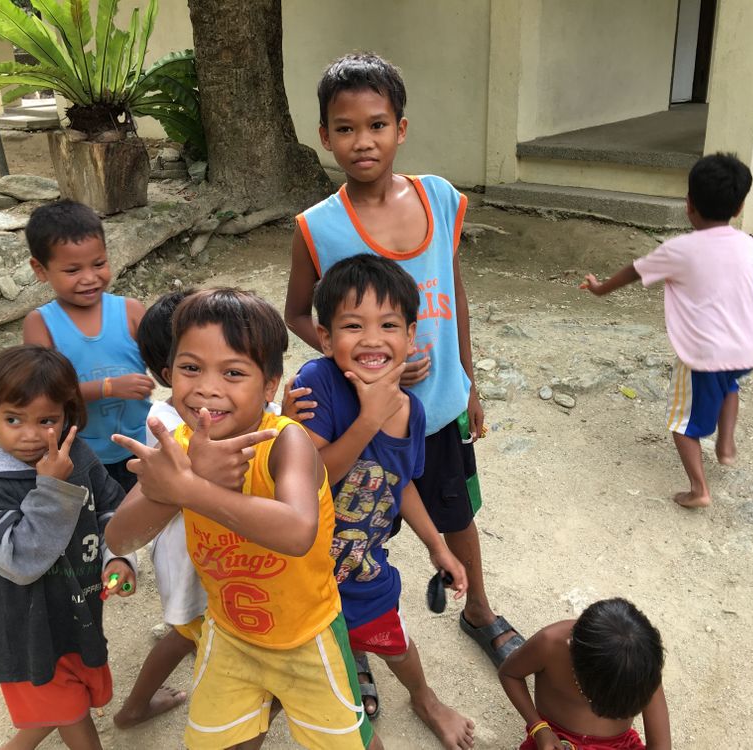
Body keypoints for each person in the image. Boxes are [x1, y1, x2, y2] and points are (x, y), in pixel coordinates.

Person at [284, 51, 524, 679]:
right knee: (353, 531)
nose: (362, 141)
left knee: (455, 513)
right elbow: (297, 313)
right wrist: (358, 363)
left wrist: (467, 380)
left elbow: (454, 289)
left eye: (377, 125)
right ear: (324, 136)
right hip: (360, 420)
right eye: (345, 128)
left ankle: (479, 608)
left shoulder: (438, 198)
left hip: (437, 407)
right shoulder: (317, 227)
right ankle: (356, 641)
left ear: (401, 128)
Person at [106, 288, 381, 750]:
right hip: (229, 635)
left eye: (233, 372)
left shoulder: (285, 443)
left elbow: (297, 531)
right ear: (169, 373)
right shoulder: (178, 446)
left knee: (350, 744)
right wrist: (182, 480)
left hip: (307, 637)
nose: (207, 387)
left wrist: (191, 488)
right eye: (191, 368)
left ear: (270, 386)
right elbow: (120, 538)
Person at [293, 254, 475, 749]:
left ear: (411, 336)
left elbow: (402, 483)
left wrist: (437, 546)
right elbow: (308, 478)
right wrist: (368, 420)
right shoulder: (316, 383)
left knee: (392, 639)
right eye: (353, 325)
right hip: (302, 573)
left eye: (389, 325)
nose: (372, 339)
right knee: (312, 661)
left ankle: (424, 697)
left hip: (362, 566)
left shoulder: (412, 410)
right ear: (326, 337)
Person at [0, 345, 136, 750]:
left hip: (76, 617)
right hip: (29, 633)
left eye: (47, 421)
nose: (30, 435)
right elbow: (19, 562)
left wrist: (119, 558)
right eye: (13, 419)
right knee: (69, 711)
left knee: (66, 706)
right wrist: (52, 489)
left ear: (67, 414)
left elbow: (111, 511)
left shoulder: (80, 458)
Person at [581, 153, 753, 509]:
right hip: (748, 348)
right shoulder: (748, 244)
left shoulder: (680, 250)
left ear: (689, 204)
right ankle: (726, 445)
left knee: (682, 424)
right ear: (740, 206)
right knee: (730, 384)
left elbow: (634, 271)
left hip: (704, 355)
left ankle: (699, 489)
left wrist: (599, 288)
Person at [113, 290, 206, 729]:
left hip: (213, 549)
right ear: (170, 373)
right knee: (186, 631)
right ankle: (135, 707)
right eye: (195, 366)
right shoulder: (164, 422)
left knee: (196, 629)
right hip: (187, 552)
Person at [22, 199, 155, 492]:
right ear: (40, 269)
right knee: (96, 516)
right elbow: (45, 395)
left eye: (99, 264)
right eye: (72, 270)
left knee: (149, 510)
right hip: (80, 456)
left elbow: (167, 366)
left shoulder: (131, 311)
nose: (89, 278)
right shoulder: (40, 324)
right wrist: (108, 387)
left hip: (142, 444)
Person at [498, 598, 671, 750]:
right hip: (555, 739)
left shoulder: (641, 667)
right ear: (577, 670)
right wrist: (539, 728)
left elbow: (660, 745)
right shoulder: (549, 644)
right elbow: (510, 674)